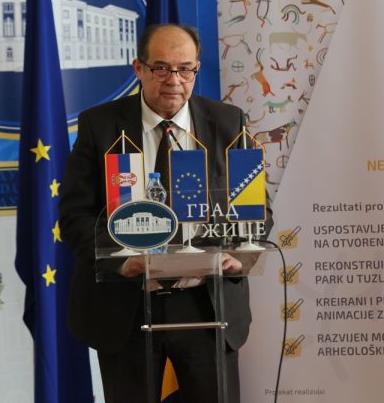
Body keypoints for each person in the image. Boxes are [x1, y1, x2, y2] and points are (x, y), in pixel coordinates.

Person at [60, 23, 271, 403]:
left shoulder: (227, 122)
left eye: (185, 69)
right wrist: (123, 260)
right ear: (138, 68)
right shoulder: (100, 126)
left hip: (207, 304)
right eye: (161, 68)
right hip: (126, 306)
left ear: (196, 70)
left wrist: (236, 255)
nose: (174, 81)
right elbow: (74, 217)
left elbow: (258, 211)